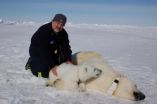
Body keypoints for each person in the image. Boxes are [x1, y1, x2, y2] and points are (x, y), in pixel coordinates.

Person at [25, 13, 72, 78]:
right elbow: (44, 50)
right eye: (57, 23)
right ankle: (31, 63)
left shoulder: (63, 33)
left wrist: (68, 59)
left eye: (62, 25)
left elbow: (66, 47)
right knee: (42, 74)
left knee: (61, 67)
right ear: (53, 21)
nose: (59, 26)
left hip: (52, 51)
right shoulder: (43, 31)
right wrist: (52, 66)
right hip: (38, 52)